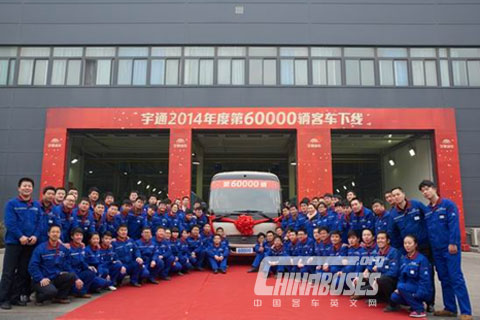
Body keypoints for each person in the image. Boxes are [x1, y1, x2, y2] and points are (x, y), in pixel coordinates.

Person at [419, 180, 472, 319]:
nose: (425, 192)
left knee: (456, 278)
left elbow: (454, 224)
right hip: (436, 250)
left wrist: (453, 242)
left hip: (450, 248)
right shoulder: (427, 210)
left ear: (434, 189)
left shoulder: (447, 205)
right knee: (444, 278)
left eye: (427, 188)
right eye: (423, 190)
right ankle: (450, 308)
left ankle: (466, 311)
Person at [388, 186, 434, 311]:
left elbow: (429, 218)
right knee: (407, 274)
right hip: (406, 249)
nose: (396, 197)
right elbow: (393, 233)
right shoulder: (393, 214)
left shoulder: (416, 205)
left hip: (424, 247)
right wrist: (400, 248)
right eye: (393, 195)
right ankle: (413, 299)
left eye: (398, 194)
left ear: (403, 194)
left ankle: (430, 302)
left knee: (427, 274)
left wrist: (430, 237)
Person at [0, 177, 41, 310]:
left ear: (32, 189)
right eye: (24, 186)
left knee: (23, 272)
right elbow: (10, 223)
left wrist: (35, 235)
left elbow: (40, 223)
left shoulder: (36, 205)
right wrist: (20, 236)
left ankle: (15, 297)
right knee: (8, 272)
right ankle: (3, 299)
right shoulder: (12, 204)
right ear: (19, 188)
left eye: (29, 186)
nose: (27, 188)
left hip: (29, 244)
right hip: (14, 243)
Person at [28, 225, 77, 305]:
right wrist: (41, 278)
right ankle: (38, 297)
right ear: (48, 234)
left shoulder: (63, 249)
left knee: (71, 276)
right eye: (53, 232)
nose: (55, 234)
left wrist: (62, 272)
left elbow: (67, 263)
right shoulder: (40, 248)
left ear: (60, 234)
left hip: (55, 277)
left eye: (57, 232)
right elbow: (32, 266)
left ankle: (59, 297)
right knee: (51, 292)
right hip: (42, 279)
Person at [385, 235, 433, 318]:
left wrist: (419, 294)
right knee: (394, 296)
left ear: (415, 245)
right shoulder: (404, 259)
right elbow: (401, 277)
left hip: (420, 289)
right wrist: (398, 289)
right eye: (405, 243)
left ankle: (419, 310)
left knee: (401, 287)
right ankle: (414, 304)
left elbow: (425, 280)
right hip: (408, 288)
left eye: (409, 243)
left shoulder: (422, 259)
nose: (407, 245)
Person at [68, 228, 111, 297]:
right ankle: (79, 291)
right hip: (73, 274)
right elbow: (68, 266)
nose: (79, 237)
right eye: (77, 235)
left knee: (104, 280)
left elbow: (83, 262)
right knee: (97, 278)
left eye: (80, 235)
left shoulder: (81, 247)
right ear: (72, 237)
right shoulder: (68, 248)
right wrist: (76, 278)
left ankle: (84, 289)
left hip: (82, 272)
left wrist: (88, 267)